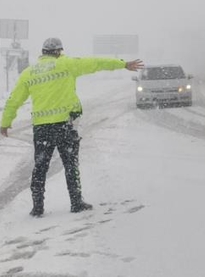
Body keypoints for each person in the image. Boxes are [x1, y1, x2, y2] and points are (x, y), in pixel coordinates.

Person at [0, 37, 144, 217]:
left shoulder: (29, 73)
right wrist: (122, 64)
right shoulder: (66, 64)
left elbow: (14, 100)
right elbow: (95, 63)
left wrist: (5, 122)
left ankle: (37, 207)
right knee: (70, 164)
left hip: (41, 128)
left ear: (43, 52)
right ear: (59, 51)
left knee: (40, 167)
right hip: (64, 126)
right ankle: (76, 202)